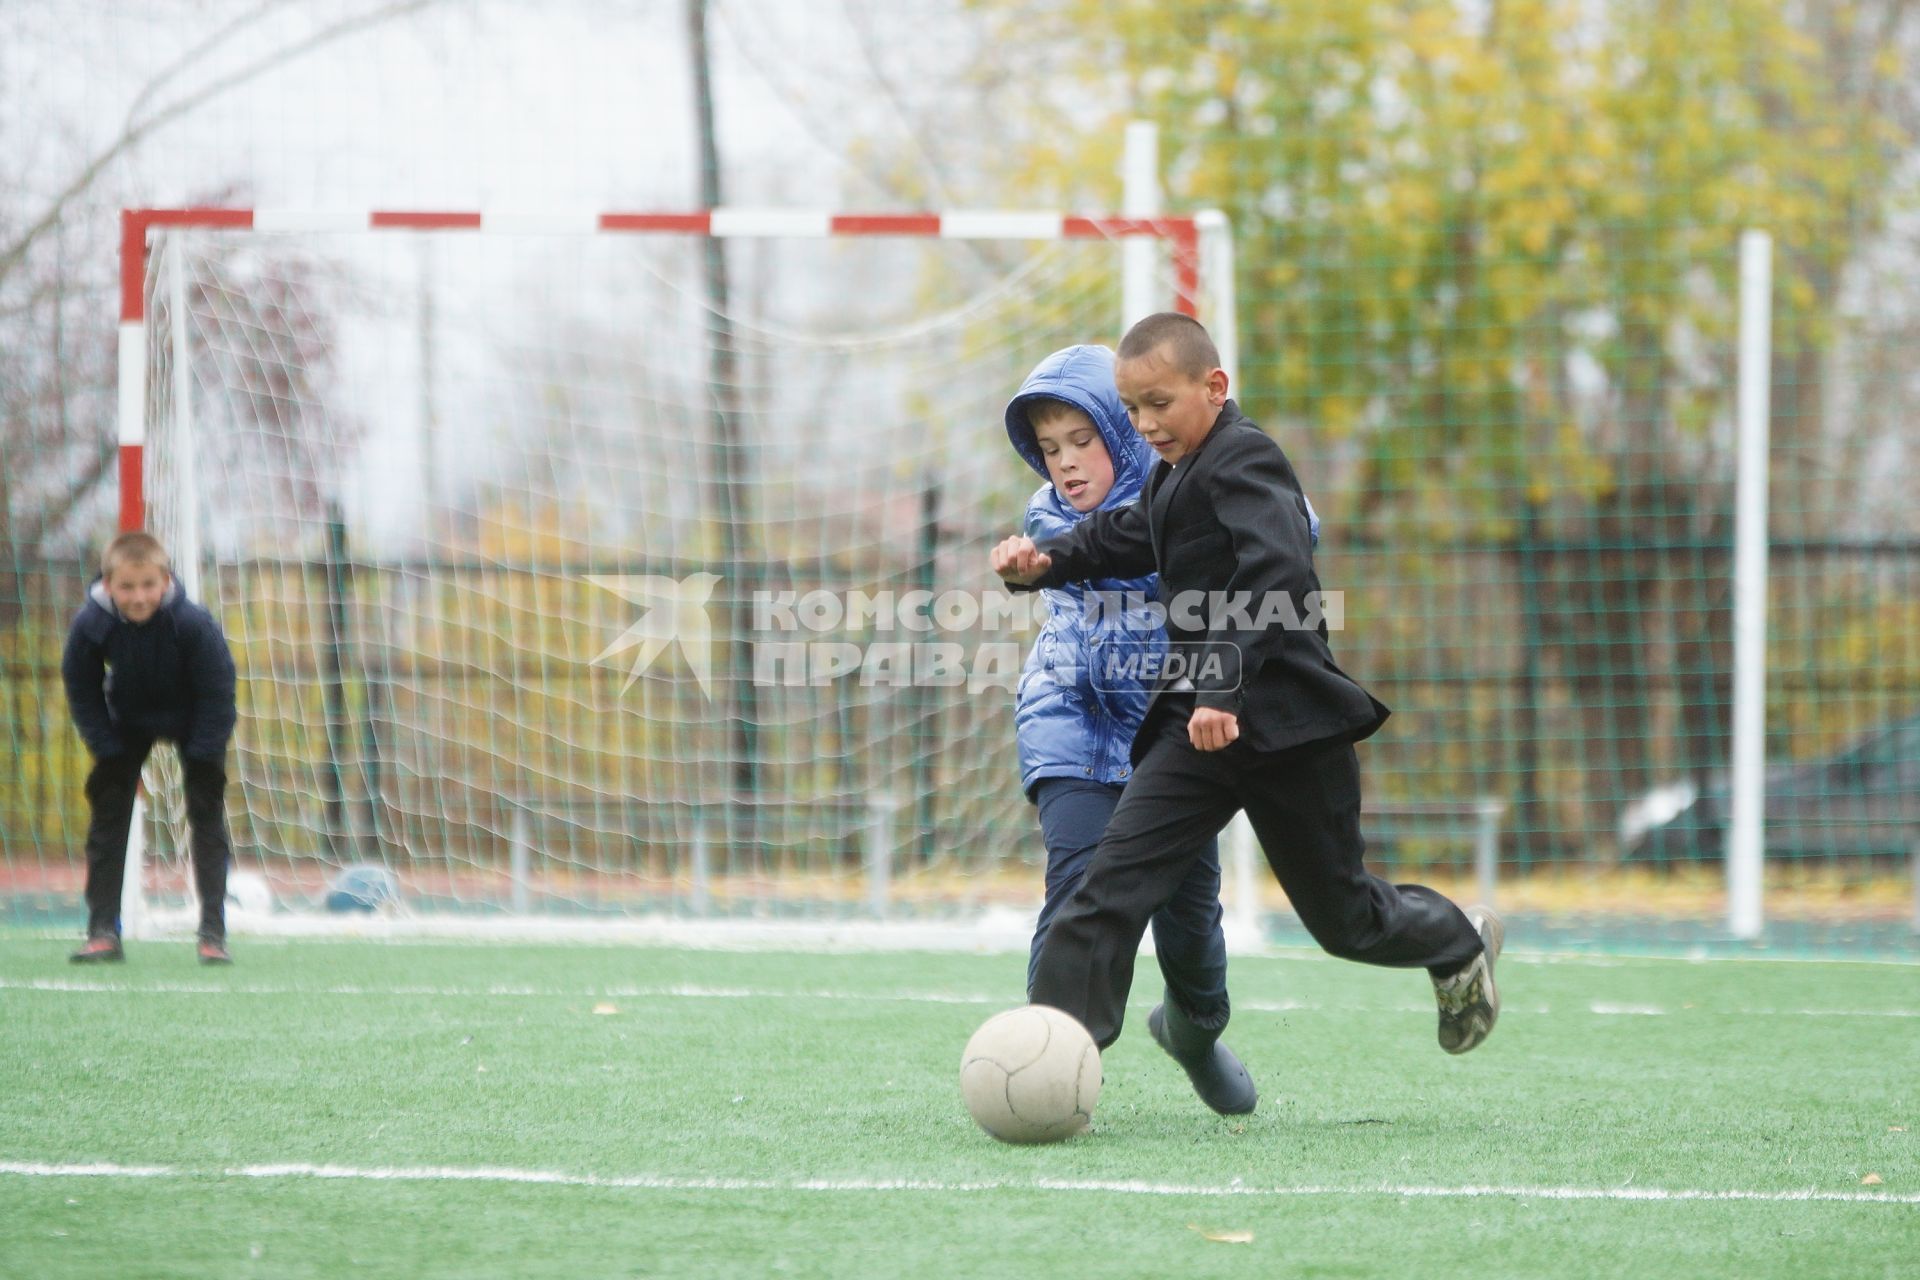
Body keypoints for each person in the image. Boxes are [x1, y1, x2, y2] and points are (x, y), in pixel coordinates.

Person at [990, 312, 1501, 1063]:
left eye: (1158, 404)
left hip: (1284, 723)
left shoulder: (1248, 459)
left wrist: (1221, 687)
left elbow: (1277, 575)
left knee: (1345, 920)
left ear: (1214, 386)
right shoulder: (1172, 474)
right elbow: (1132, 536)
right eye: (1132, 411)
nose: (1145, 424)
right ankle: (1051, 1055)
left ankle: (1457, 939)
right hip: (1195, 726)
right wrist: (1048, 561)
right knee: (1106, 887)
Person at [1007, 343, 1311, 1115]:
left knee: (1187, 921)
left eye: (1083, 441)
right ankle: (1053, 1056)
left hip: (1172, 732)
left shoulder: (1196, 492)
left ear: (1127, 430)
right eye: (1049, 449)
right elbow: (1065, 575)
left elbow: (1287, 526)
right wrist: (1021, 564)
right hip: (1071, 716)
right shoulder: (1047, 521)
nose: (1066, 464)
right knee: (1077, 881)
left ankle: (1195, 1029)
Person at [62, 531, 238, 965]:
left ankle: (212, 933)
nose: (138, 597)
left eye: (148, 586)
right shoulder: (91, 624)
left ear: (164, 580)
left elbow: (219, 688)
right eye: (126, 587)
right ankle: (103, 931)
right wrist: (105, 744)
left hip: (193, 718)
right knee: (108, 811)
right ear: (108, 584)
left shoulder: (192, 623)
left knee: (205, 810)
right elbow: (81, 687)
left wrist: (204, 750)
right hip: (127, 720)